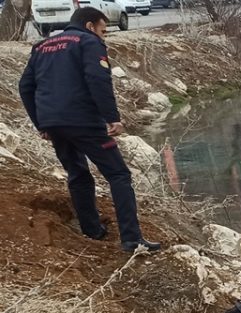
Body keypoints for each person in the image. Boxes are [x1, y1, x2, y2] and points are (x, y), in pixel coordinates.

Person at [18, 8, 159, 253]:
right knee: (119, 175)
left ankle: (92, 231)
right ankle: (132, 239)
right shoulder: (88, 42)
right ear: (90, 26)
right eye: (103, 31)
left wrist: (41, 123)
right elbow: (97, 79)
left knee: (78, 173)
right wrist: (112, 117)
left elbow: (25, 87)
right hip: (83, 121)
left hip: (54, 124)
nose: (103, 36)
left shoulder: (42, 46)